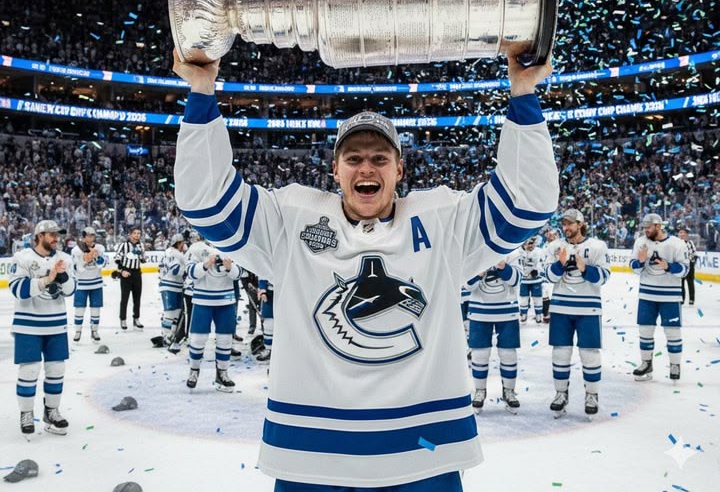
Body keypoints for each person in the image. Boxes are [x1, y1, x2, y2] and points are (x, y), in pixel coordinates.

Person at [172, 47, 558, 490]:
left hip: (423, 452)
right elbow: (206, 202)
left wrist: (523, 93)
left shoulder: (443, 219)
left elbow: (528, 203)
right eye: (354, 159)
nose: (366, 167)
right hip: (311, 455)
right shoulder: (290, 218)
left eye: (379, 158)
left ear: (400, 169)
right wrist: (201, 91)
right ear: (335, 171)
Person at [9, 220, 76, 435]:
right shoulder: (23, 258)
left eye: (58, 235)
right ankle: (26, 413)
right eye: (51, 235)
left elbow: (71, 290)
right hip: (28, 324)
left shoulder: (64, 259)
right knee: (29, 370)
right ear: (39, 235)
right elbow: (17, 289)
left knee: (56, 370)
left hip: (56, 323)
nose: (56, 238)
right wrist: (47, 279)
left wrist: (62, 277)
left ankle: (52, 411)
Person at [544, 209, 610, 416]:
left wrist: (585, 269)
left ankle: (592, 394)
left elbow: (604, 277)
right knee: (560, 352)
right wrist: (560, 264)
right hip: (560, 307)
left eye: (570, 223)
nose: (566, 227)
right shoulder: (555, 247)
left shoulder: (597, 246)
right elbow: (548, 277)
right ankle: (560, 393)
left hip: (588, 308)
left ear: (580, 224)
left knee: (589, 353)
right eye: (564, 224)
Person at [630, 213, 688, 382]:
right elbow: (633, 267)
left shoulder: (677, 243)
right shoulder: (640, 242)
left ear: (658, 226)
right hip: (646, 295)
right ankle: (646, 363)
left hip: (670, 296)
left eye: (648, 227)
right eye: (644, 228)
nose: (646, 230)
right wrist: (640, 262)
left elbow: (685, 270)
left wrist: (668, 266)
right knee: (645, 330)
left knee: (672, 331)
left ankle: (675, 365)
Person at [465, 256, 522, 412]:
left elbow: (517, 280)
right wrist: (479, 273)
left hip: (508, 311)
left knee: (508, 354)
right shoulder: (475, 251)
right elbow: (466, 284)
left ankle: (509, 390)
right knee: (479, 354)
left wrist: (503, 266)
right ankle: (480, 390)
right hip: (479, 312)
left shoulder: (512, 250)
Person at [184, 240, 242, 391]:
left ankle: (222, 373)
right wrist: (206, 265)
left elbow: (239, 273)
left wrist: (230, 267)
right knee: (198, 339)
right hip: (202, 300)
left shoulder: (231, 245)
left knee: (225, 340)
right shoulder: (197, 248)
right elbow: (190, 273)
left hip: (226, 300)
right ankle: (194, 371)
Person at [71, 226, 106, 342]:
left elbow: (103, 264)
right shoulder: (76, 250)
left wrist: (96, 257)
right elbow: (74, 268)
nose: (90, 238)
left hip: (96, 283)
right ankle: (78, 331)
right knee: (79, 309)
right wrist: (84, 260)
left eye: (92, 236)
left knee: (96, 308)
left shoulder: (99, 248)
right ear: (83, 237)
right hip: (81, 284)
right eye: (87, 236)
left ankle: (94, 331)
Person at [158, 233, 188, 345]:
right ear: (179, 243)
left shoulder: (168, 252)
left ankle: (170, 335)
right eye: (183, 242)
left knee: (176, 312)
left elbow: (160, 267)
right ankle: (166, 335)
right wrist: (187, 271)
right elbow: (176, 270)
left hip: (172, 285)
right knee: (170, 313)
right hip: (171, 285)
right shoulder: (176, 254)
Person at [115, 226, 146, 330]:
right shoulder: (124, 245)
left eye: (139, 233)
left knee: (137, 298)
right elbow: (117, 258)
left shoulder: (141, 245)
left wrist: (142, 256)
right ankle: (123, 319)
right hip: (126, 273)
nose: (137, 235)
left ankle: (136, 318)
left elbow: (142, 259)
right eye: (135, 233)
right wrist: (122, 271)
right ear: (130, 234)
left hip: (137, 273)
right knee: (125, 298)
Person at [517, 236, 545, 323]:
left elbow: (542, 263)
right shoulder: (519, 252)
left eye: (532, 243)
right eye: (528, 243)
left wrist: (537, 270)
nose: (530, 245)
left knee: (537, 298)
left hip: (536, 279)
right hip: (524, 279)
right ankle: (524, 315)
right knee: (523, 298)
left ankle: (538, 315)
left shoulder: (539, 251)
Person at [677, 226, 697, 305]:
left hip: (689, 265)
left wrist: (692, 263)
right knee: (680, 283)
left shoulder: (690, 243)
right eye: (680, 232)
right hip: (680, 265)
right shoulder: (676, 243)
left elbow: (694, 254)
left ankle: (691, 299)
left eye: (684, 233)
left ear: (687, 234)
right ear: (678, 234)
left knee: (690, 282)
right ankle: (682, 299)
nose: (682, 234)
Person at [257, 278, 274, 362]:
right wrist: (263, 290)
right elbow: (263, 275)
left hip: (285, 292)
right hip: (270, 294)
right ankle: (269, 349)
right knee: (268, 324)